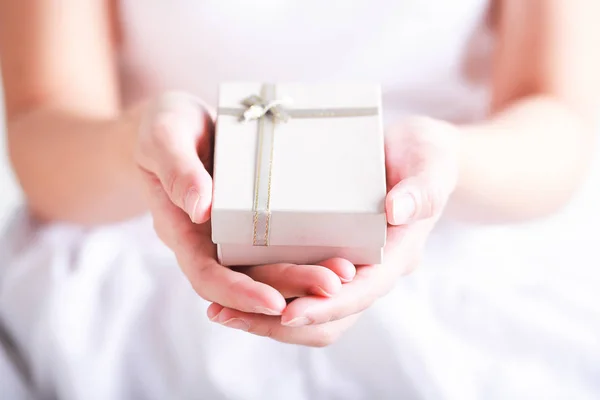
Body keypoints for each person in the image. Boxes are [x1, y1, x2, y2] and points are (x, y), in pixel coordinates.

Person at [1, 0, 599, 399]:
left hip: (466, 229)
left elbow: (556, 121)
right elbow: (43, 128)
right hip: (142, 230)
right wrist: (135, 144)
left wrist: (449, 164)